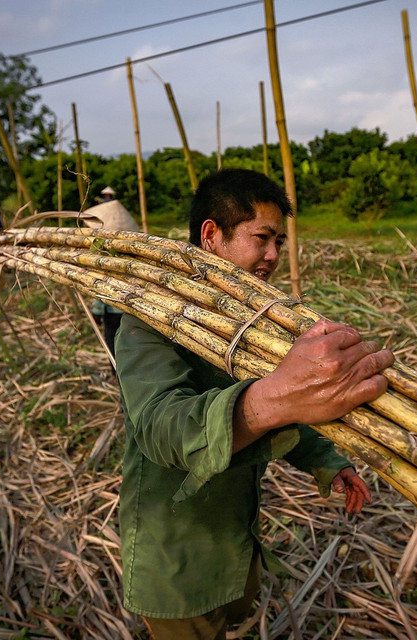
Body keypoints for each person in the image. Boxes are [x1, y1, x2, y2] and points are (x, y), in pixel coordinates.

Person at [113, 168, 395, 639]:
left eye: (279, 242)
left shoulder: (251, 319)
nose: (273, 256)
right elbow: (164, 428)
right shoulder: (148, 322)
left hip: (234, 530)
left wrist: (327, 459)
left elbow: (294, 403)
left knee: (230, 610)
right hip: (176, 546)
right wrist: (275, 395)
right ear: (211, 235)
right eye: (262, 238)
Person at [79, 191, 140, 371]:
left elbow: (101, 286)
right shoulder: (134, 254)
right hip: (135, 308)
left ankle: (118, 372)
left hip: (113, 310)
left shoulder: (105, 257)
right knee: (134, 345)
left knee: (115, 345)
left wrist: (97, 311)